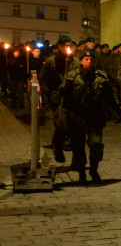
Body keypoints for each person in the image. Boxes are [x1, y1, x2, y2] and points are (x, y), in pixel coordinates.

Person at [57, 49, 120, 184]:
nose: (89, 61)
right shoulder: (72, 76)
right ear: (81, 61)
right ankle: (81, 173)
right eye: (86, 59)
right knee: (78, 148)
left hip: (94, 118)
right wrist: (62, 92)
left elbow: (109, 96)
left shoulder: (101, 77)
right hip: (76, 118)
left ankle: (93, 169)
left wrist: (117, 110)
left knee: (96, 144)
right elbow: (63, 98)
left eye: (92, 59)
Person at [41, 34, 77, 162]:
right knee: (60, 122)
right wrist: (45, 99)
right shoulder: (51, 62)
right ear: (59, 46)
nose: (67, 48)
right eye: (64, 45)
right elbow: (45, 81)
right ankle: (59, 146)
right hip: (57, 98)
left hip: (72, 98)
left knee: (72, 124)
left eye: (69, 45)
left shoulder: (76, 62)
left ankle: (64, 144)